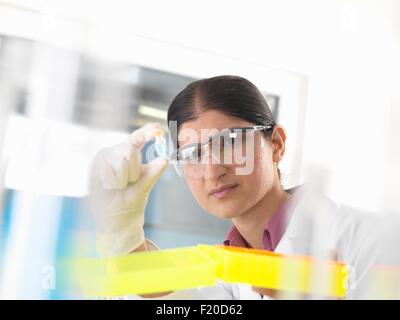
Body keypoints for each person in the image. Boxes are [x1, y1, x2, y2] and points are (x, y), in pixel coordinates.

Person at [90, 75, 381, 299]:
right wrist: (125, 236)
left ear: (276, 145)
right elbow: (171, 297)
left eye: (229, 142)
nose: (213, 170)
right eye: (193, 154)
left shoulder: (367, 237)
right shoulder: (226, 271)